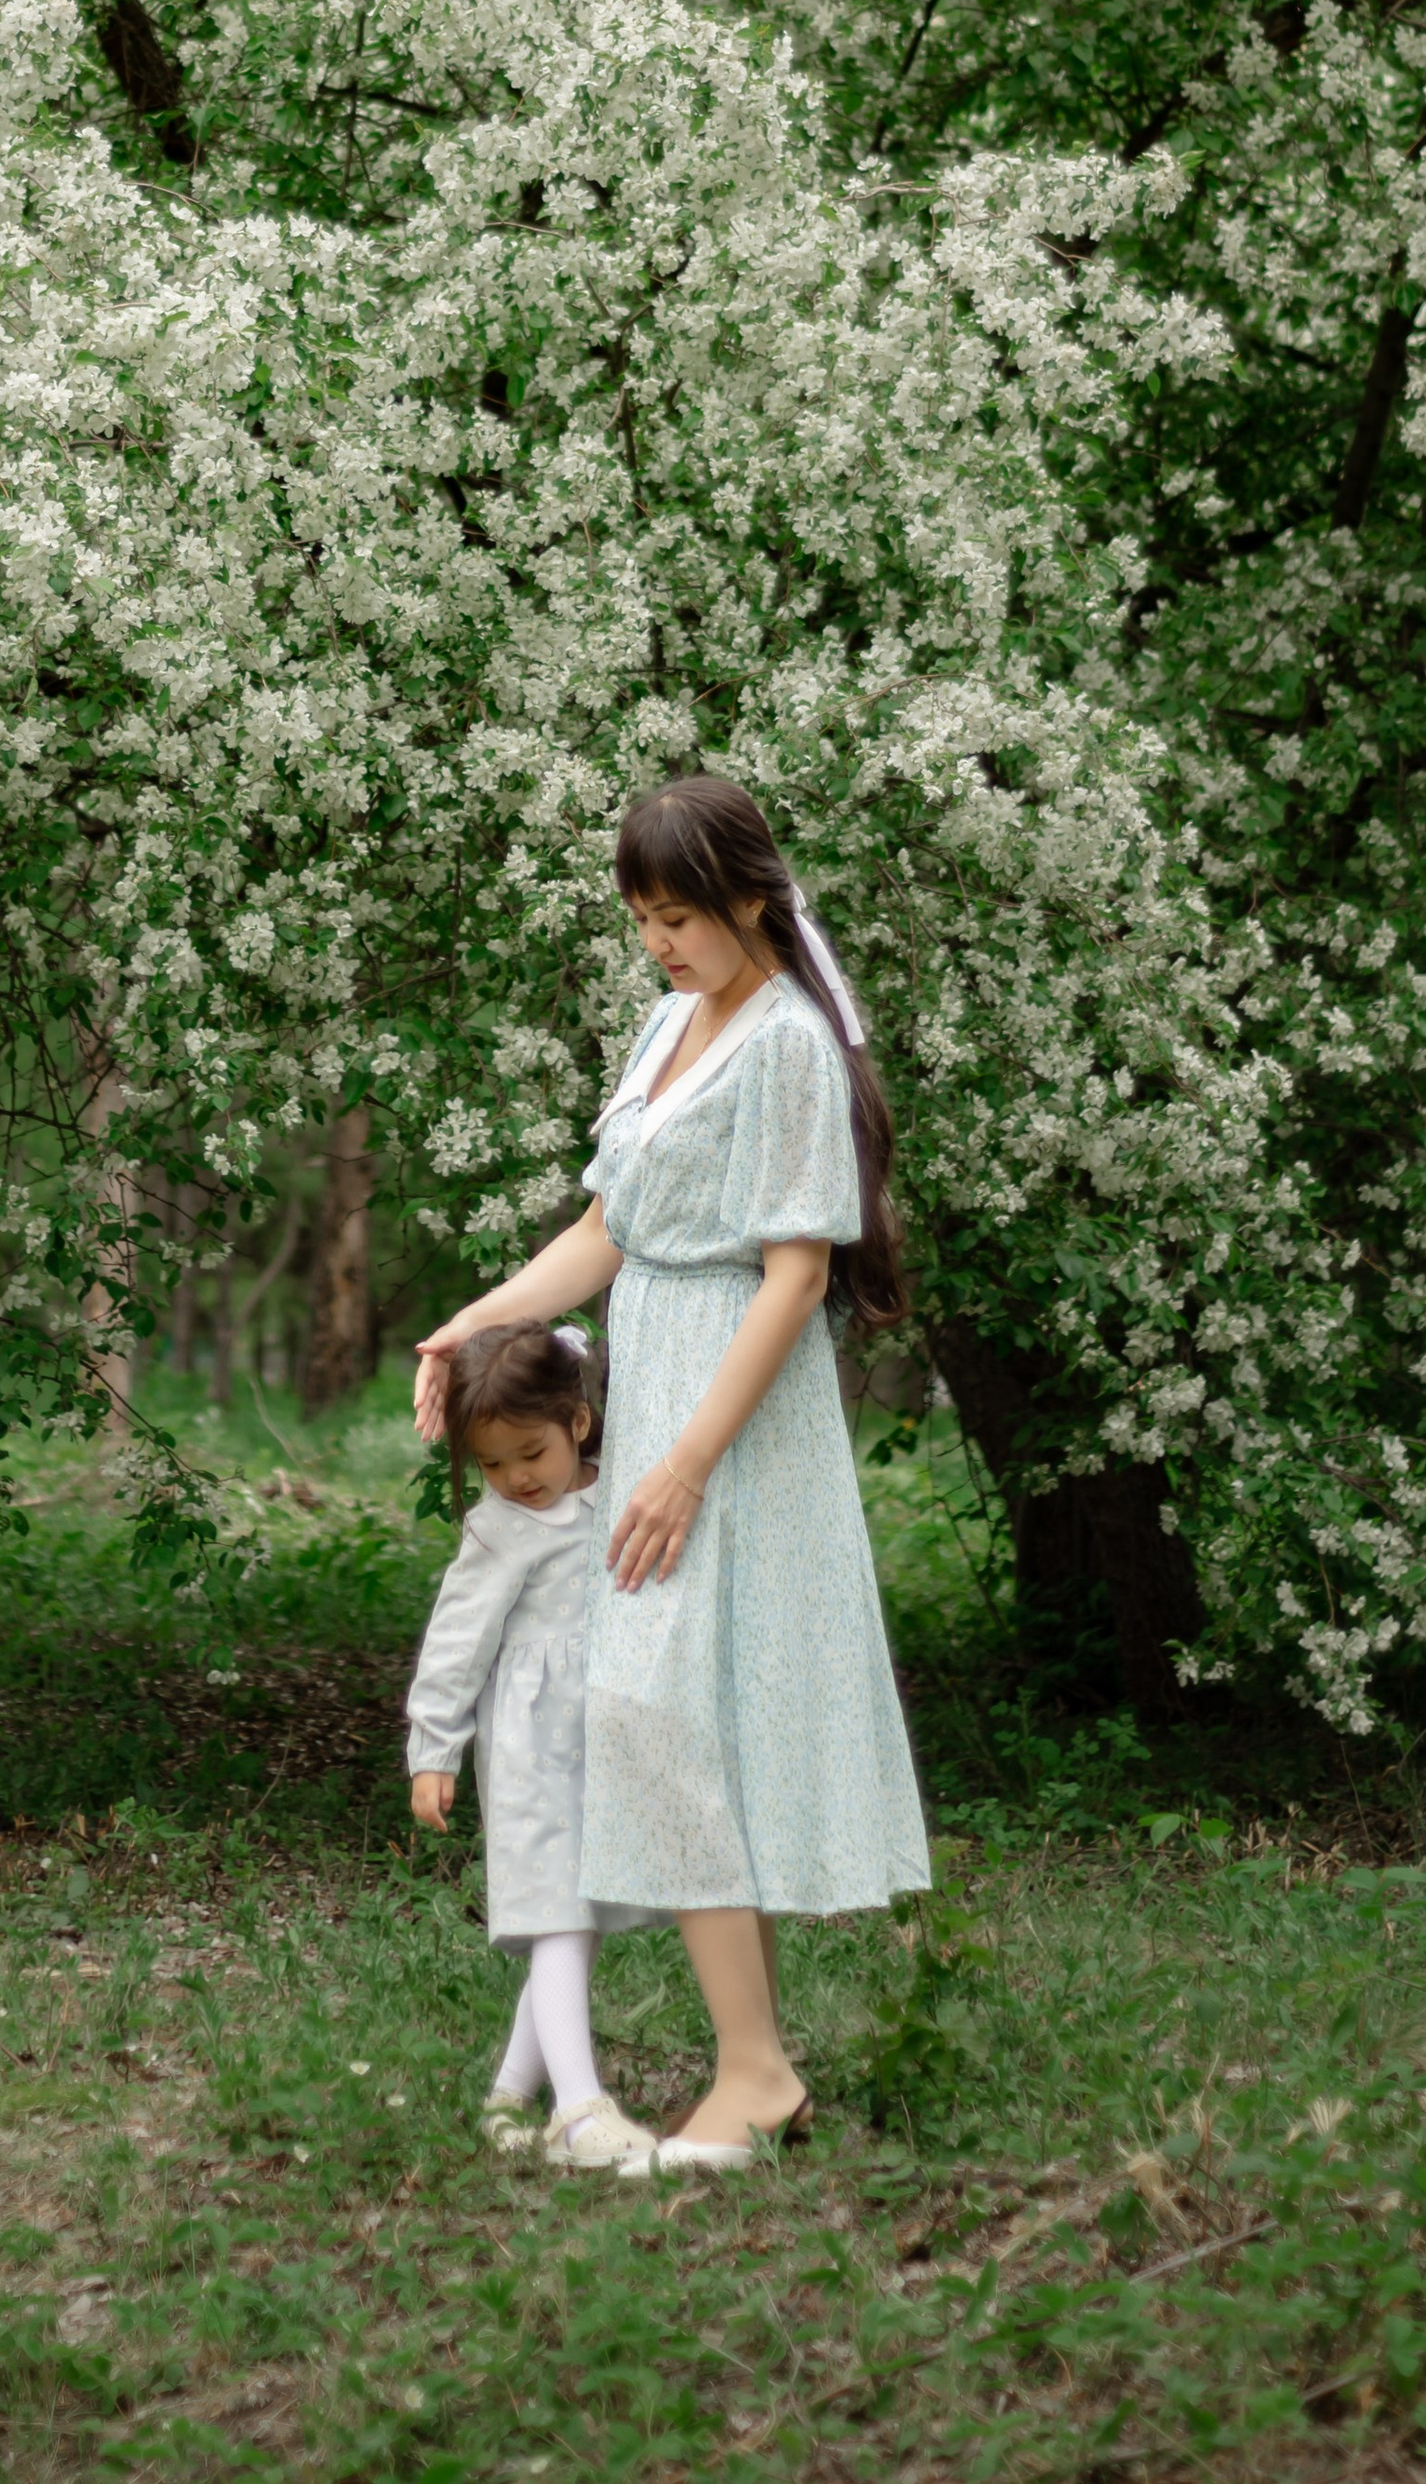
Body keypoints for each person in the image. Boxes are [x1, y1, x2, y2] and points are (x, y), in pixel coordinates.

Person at [415, 776, 929, 2174]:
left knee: (666, 1710)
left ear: (751, 896)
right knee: (674, 1714)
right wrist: (476, 1322)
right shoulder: (665, 1025)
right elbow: (605, 1230)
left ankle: (756, 2069)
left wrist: (688, 1457)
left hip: (735, 1413)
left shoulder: (789, 1047)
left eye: (681, 916)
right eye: (643, 918)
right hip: (658, 1386)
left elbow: (797, 1271)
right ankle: (755, 2064)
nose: (661, 942)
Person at [404, 1322, 660, 2171]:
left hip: (602, 1737)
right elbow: (455, 1641)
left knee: (573, 1918)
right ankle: (579, 2111)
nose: (516, 1479)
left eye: (530, 1453)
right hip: (528, 1741)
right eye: (492, 1464)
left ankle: (509, 2095)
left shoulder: (622, 1491)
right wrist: (434, 1748)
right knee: (554, 1913)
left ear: (578, 1423)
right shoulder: (500, 1529)